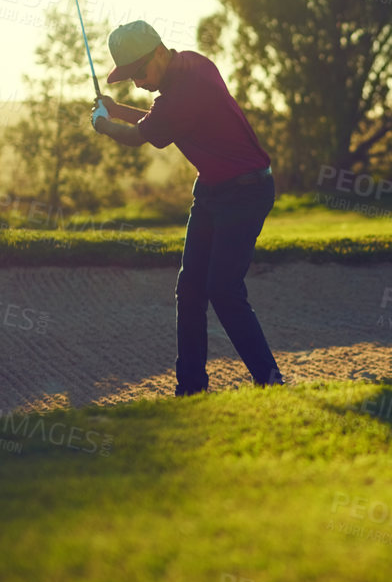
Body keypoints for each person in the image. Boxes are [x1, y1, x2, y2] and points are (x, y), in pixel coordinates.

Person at [91, 19, 285, 395]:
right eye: (130, 77)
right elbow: (159, 123)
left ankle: (270, 380)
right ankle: (191, 390)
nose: (138, 82)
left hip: (246, 191)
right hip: (213, 190)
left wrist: (103, 124)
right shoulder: (189, 69)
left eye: (139, 72)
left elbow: (140, 136)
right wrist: (115, 110)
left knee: (223, 289)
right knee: (190, 288)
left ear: (160, 53)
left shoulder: (188, 86)